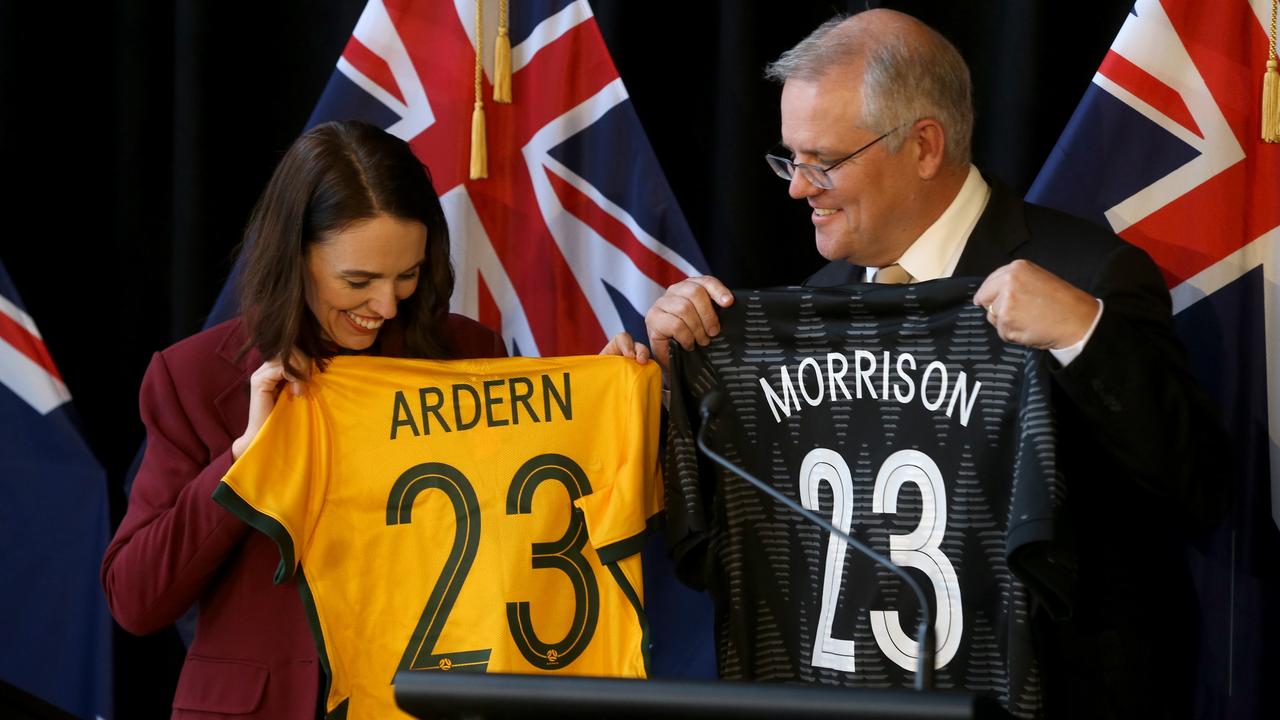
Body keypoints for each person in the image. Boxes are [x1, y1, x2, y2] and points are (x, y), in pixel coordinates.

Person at [634, 10, 1229, 718]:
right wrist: (671, 387)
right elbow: (734, 544)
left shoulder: (1088, 274)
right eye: (789, 159)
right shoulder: (816, 308)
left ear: (922, 146)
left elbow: (1199, 487)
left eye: (822, 161)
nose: (796, 187)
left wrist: (1085, 336)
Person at [100, 120, 506, 719]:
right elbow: (135, 600)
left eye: (408, 275)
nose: (387, 305)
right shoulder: (192, 377)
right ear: (295, 255)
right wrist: (246, 459)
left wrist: (597, 401)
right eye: (359, 281)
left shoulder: (468, 357)